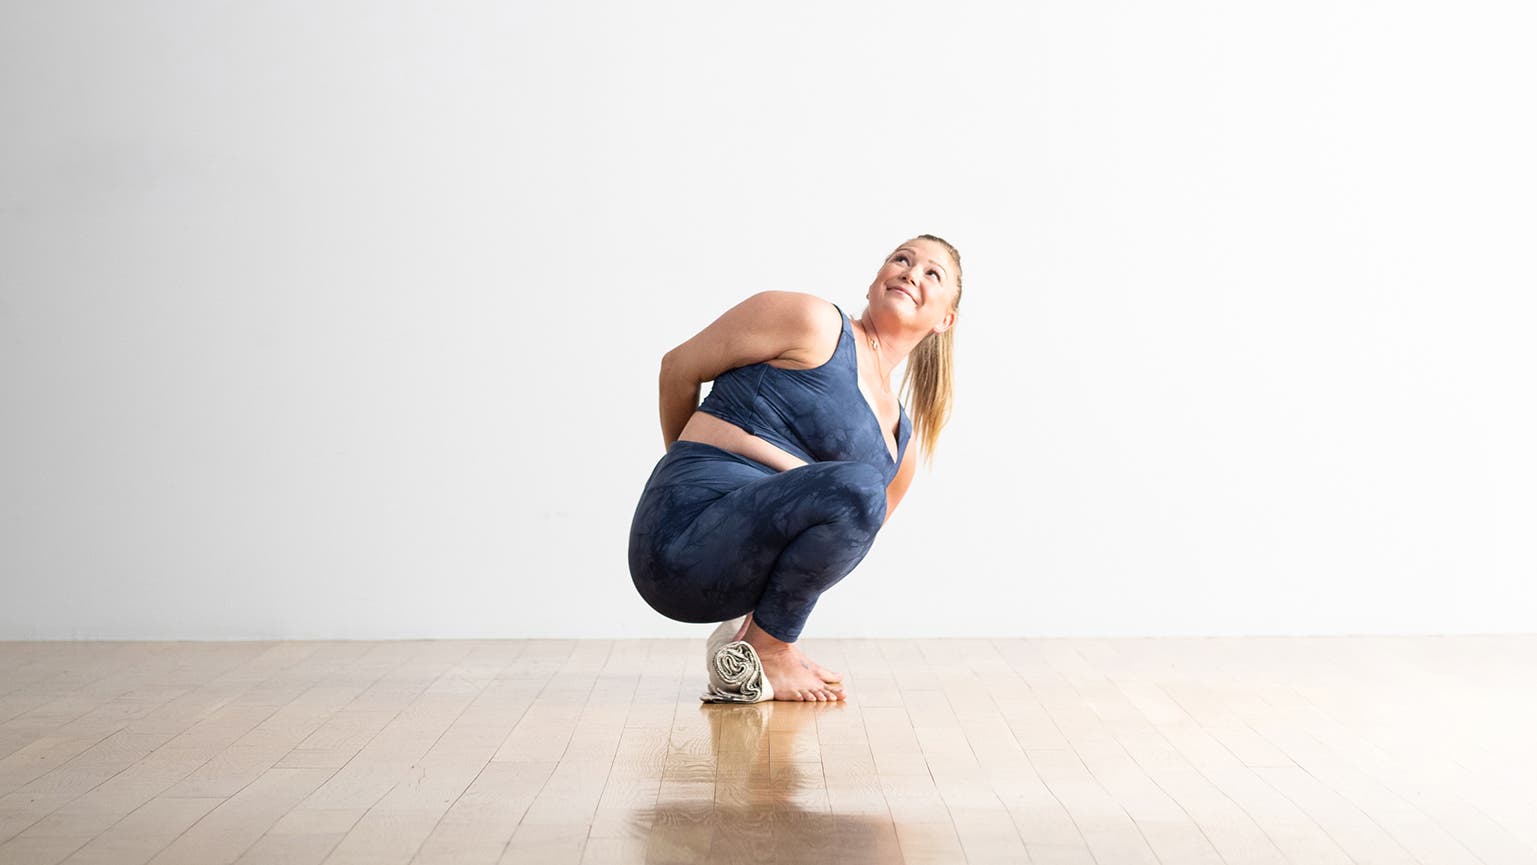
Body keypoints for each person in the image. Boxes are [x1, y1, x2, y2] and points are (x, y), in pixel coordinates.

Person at [628, 235, 963, 701]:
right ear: (874, 282)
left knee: (863, 493)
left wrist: (772, 621)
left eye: (932, 274)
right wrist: (689, 467)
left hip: (734, 585)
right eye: (901, 259)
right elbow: (677, 367)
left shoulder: (899, 449)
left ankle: (757, 641)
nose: (910, 273)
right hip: (679, 536)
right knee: (861, 487)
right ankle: (770, 650)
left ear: (945, 319)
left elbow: (827, 550)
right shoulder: (812, 323)